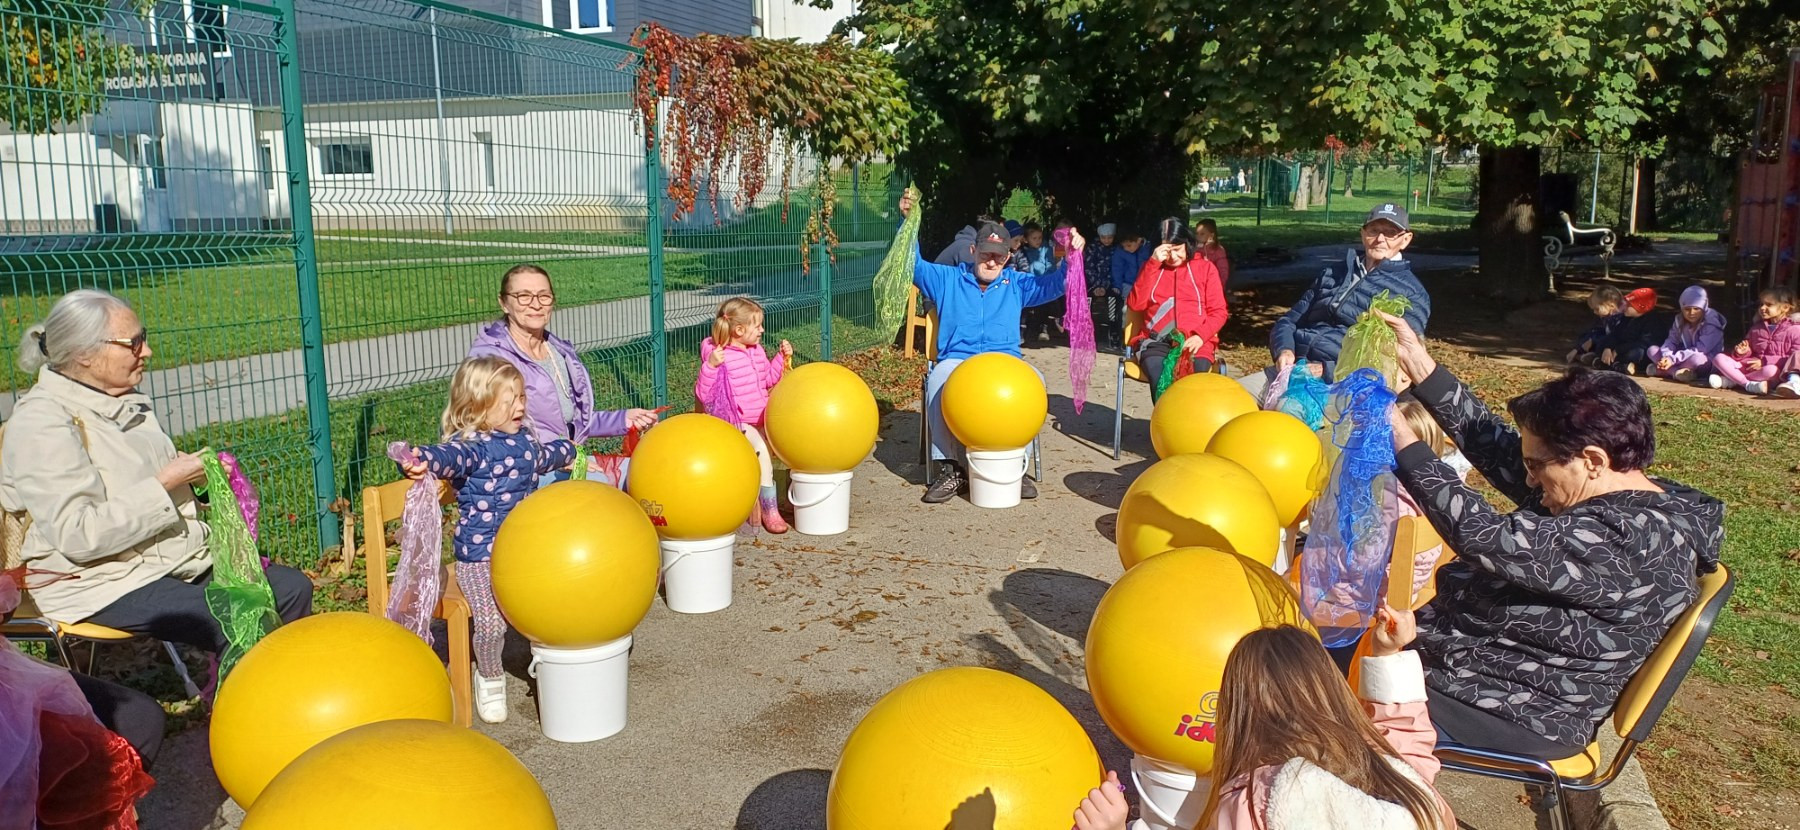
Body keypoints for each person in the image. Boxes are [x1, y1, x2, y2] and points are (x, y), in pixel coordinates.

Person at [1378, 310, 1723, 760]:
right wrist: (1420, 365)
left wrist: (1400, 435)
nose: (1529, 478)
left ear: (1593, 460)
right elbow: (1499, 449)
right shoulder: (1620, 492)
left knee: (1305, 693)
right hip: (1477, 674)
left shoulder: (1632, 541)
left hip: (1509, 708)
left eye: (1537, 465)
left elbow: (1484, 537)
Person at [0, 289, 313, 662]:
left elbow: (150, 489)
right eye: (133, 343)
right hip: (97, 581)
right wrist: (165, 483)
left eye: (143, 338)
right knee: (234, 618)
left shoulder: (119, 398)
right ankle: (250, 698)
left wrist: (200, 482)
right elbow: (79, 535)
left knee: (291, 589)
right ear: (84, 354)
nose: (146, 351)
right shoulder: (41, 424)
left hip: (165, 558)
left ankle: (283, 690)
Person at [397, 357, 577, 723]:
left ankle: (552, 662)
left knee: (549, 603)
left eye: (521, 397)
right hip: (478, 558)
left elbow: (543, 457)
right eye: (508, 401)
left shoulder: (525, 441)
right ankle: (490, 676)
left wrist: (568, 450)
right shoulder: (472, 448)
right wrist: (421, 459)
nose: (520, 406)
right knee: (492, 624)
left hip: (519, 553)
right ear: (478, 406)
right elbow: (447, 456)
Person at [898, 192, 1081, 504]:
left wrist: (1073, 257)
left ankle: (1015, 464)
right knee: (938, 381)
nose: (992, 261)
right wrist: (907, 222)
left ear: (1007, 257)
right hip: (958, 360)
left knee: (1034, 381)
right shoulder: (947, 279)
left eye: (999, 256)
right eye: (986, 254)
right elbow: (911, 264)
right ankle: (950, 467)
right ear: (973, 250)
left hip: (1004, 361)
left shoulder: (1016, 283)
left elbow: (1055, 284)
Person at [1198, 615, 1452, 829]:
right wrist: (1386, 654)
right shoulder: (1397, 781)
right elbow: (1404, 741)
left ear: (1237, 711)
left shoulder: (1251, 804)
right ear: (1333, 690)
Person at [468, 264, 658, 485]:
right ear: (504, 303)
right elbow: (483, 432)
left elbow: (568, 421)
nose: (536, 304)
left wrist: (623, 419)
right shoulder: (489, 358)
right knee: (603, 487)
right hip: (515, 474)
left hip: (564, 459)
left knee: (648, 472)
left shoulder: (557, 352)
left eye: (544, 296)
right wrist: (554, 456)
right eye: (523, 296)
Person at [1241, 204, 1431, 399]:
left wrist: (1326, 370)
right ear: (1363, 234)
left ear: (1405, 239)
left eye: (1390, 233)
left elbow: (1394, 361)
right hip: (1293, 370)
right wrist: (1284, 350)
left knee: (1286, 413)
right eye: (1374, 231)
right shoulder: (1333, 273)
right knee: (1232, 394)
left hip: (1343, 386)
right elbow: (1288, 321)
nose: (1380, 239)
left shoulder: (1412, 293)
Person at [695, 298, 793, 534]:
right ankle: (769, 510)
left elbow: (767, 380)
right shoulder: (719, 356)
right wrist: (710, 366)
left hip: (760, 418)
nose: (762, 330)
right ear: (739, 330)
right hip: (735, 423)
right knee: (760, 449)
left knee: (788, 440)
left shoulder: (756, 351)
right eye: (757, 326)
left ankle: (790, 494)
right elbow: (704, 394)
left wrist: (780, 358)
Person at [1125, 217, 1229, 401]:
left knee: (1192, 385)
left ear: (1187, 244)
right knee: (1162, 381)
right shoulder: (1151, 269)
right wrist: (1153, 264)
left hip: (1195, 342)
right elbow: (1135, 304)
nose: (1172, 257)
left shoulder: (1206, 269)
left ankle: (1189, 420)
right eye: (1167, 251)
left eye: (1177, 249)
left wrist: (1200, 336)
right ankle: (1164, 419)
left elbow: (1219, 312)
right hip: (1155, 342)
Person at [1709, 286, 1800, 395]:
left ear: (1785, 307)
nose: (1762, 308)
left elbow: (1793, 359)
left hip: (1770, 372)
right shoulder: (1757, 328)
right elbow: (1750, 350)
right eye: (1761, 304)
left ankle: (1733, 380)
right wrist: (1742, 352)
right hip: (1749, 368)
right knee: (1719, 358)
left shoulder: (1795, 330)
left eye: (1769, 304)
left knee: (1771, 370)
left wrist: (1764, 362)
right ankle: (1747, 384)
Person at [1648, 285, 1726, 383]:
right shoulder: (1679, 320)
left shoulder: (1712, 323)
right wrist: (1666, 356)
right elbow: (1671, 340)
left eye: (1696, 309)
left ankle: (1664, 371)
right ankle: (1677, 373)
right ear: (1682, 308)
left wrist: (1673, 359)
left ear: (1704, 308)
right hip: (1681, 357)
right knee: (1652, 350)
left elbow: (1701, 349)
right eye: (1687, 309)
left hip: (1704, 359)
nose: (1692, 313)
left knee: (1696, 359)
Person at [1595, 288, 1666, 375]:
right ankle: (1614, 363)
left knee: (1637, 353)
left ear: (1640, 307)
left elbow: (1644, 343)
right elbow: (1615, 333)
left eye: (1629, 305)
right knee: (1602, 342)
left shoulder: (1652, 321)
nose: (1625, 306)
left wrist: (1618, 350)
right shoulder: (1626, 317)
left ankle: (1615, 364)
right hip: (1622, 346)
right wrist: (1608, 347)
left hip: (1635, 349)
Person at [1567, 285, 1625, 366]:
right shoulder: (1605, 316)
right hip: (1607, 342)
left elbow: (1615, 336)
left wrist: (1594, 341)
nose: (1595, 312)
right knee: (1587, 335)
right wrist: (1579, 347)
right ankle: (1586, 355)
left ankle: (1595, 357)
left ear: (1611, 306)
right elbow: (1596, 330)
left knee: (1600, 342)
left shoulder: (1621, 319)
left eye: (1597, 309)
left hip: (1617, 346)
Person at [1084, 223, 1122, 348]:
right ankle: (1086, 332)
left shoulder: (1117, 249)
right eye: (1103, 237)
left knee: (1113, 302)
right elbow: (1089, 268)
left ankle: (1113, 333)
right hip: (1093, 285)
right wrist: (1096, 286)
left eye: (1110, 237)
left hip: (1110, 285)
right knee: (1086, 301)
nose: (1106, 240)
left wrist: (1105, 286)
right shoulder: (1092, 248)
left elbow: (1116, 270)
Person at [1194, 218, 1230, 287]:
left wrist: (1220, 285)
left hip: (1213, 284)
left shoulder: (1218, 250)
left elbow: (1223, 270)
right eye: (1196, 234)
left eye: (1202, 234)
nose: (1198, 237)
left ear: (1211, 235)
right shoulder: (1195, 249)